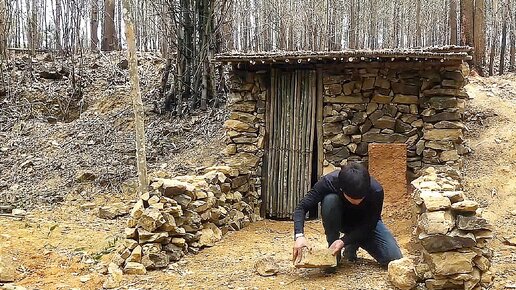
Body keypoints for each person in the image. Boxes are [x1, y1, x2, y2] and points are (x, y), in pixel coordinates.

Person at [292, 162, 402, 271]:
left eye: (361, 198)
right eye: (352, 198)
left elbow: (371, 224)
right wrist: (299, 236)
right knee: (330, 200)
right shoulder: (329, 181)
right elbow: (301, 207)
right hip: (340, 219)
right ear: (341, 189)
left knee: (394, 258)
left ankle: (353, 243)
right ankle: (333, 250)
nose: (358, 202)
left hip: (365, 224)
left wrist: (344, 240)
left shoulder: (376, 190)